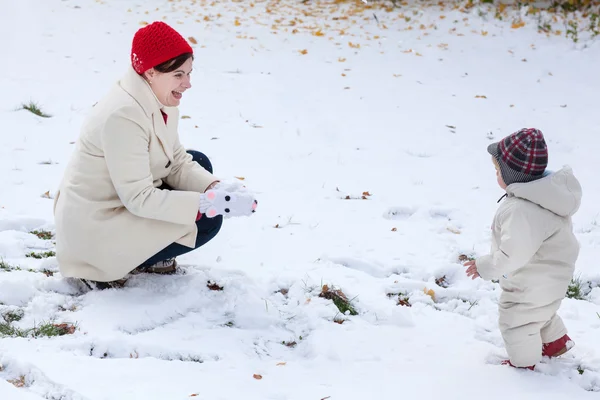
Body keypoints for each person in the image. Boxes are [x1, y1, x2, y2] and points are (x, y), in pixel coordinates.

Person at [53, 21, 257, 290]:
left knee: (200, 162)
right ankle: (110, 268)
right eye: (179, 75)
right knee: (207, 220)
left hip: (122, 201)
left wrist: (216, 188)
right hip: (96, 227)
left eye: (189, 73)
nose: (188, 83)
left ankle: (150, 254)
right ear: (151, 72)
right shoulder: (122, 115)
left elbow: (177, 160)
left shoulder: (159, 97)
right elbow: (139, 198)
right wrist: (206, 204)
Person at [464, 128, 581, 370]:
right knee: (541, 310)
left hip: (530, 281)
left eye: (498, 171)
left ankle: (524, 364)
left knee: (516, 320)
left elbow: (512, 254)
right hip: (552, 276)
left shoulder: (522, 209)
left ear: (512, 175)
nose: (496, 175)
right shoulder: (546, 196)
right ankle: (556, 342)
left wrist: (484, 266)